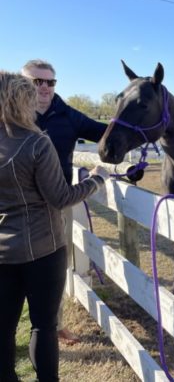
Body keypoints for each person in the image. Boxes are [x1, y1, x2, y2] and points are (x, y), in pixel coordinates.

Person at [0, 71, 109, 382]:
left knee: (4, 328)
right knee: (43, 325)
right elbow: (61, 197)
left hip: (2, 253)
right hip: (42, 248)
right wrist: (97, 180)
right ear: (22, 102)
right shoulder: (37, 143)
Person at [22, 59, 108, 345]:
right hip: (14, 203)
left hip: (56, 203)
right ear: (24, 83)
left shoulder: (68, 115)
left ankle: (54, 325)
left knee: (55, 266)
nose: (45, 87)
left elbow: (105, 133)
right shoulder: (12, 114)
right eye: (38, 81)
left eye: (50, 82)